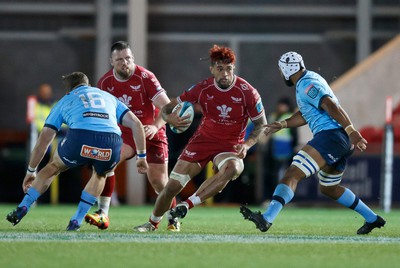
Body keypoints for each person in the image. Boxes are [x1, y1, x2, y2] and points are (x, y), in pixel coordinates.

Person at [240, 51, 386, 235]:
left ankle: (267, 218)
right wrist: (283, 123)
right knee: (329, 188)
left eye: (280, 70)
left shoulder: (307, 84)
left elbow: (330, 105)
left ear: (286, 69)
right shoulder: (306, 81)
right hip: (337, 139)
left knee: (292, 174)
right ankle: (373, 218)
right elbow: (305, 114)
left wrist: (352, 131)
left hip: (331, 136)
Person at [133, 44, 267, 232]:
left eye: (228, 68)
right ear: (212, 69)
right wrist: (169, 117)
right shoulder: (202, 88)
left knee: (234, 168)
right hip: (202, 142)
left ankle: (185, 206)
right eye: (220, 69)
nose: (225, 73)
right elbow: (168, 107)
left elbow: (262, 124)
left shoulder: (248, 92)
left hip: (230, 146)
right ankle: (152, 223)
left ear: (233, 69)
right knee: (172, 186)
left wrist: (247, 144)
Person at [6, 72, 148, 231]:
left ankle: (23, 206)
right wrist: (142, 156)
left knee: (54, 166)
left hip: (80, 138)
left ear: (69, 90)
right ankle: (76, 220)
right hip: (111, 142)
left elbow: (43, 142)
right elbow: (136, 124)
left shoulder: (65, 100)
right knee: (100, 174)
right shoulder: (108, 97)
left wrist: (31, 170)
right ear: (87, 85)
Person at [84, 41, 180, 231]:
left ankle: (173, 218)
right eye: (119, 59)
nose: (124, 62)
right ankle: (103, 214)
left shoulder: (146, 77)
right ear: (111, 61)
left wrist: (155, 126)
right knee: (106, 162)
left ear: (133, 58)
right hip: (125, 134)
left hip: (151, 133)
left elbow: (167, 108)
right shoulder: (104, 83)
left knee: (159, 182)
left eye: (128, 58)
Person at [263, 97, 298, 200]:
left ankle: (283, 198)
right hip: (273, 149)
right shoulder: (273, 116)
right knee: (274, 174)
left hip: (285, 150)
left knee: (283, 174)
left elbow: (294, 135)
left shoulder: (289, 117)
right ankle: (275, 197)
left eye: (283, 105)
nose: (281, 107)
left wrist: (293, 148)